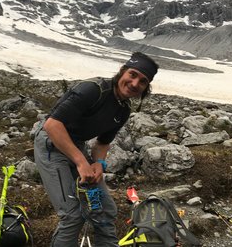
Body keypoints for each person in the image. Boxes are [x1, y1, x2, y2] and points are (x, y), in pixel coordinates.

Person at [34, 52, 159, 247]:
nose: (135, 83)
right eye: (133, 75)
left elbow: (102, 143)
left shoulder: (123, 109)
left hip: (76, 147)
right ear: (122, 72)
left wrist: (99, 164)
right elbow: (52, 125)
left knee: (105, 209)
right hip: (51, 145)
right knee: (72, 215)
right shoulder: (93, 90)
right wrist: (82, 162)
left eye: (143, 82)